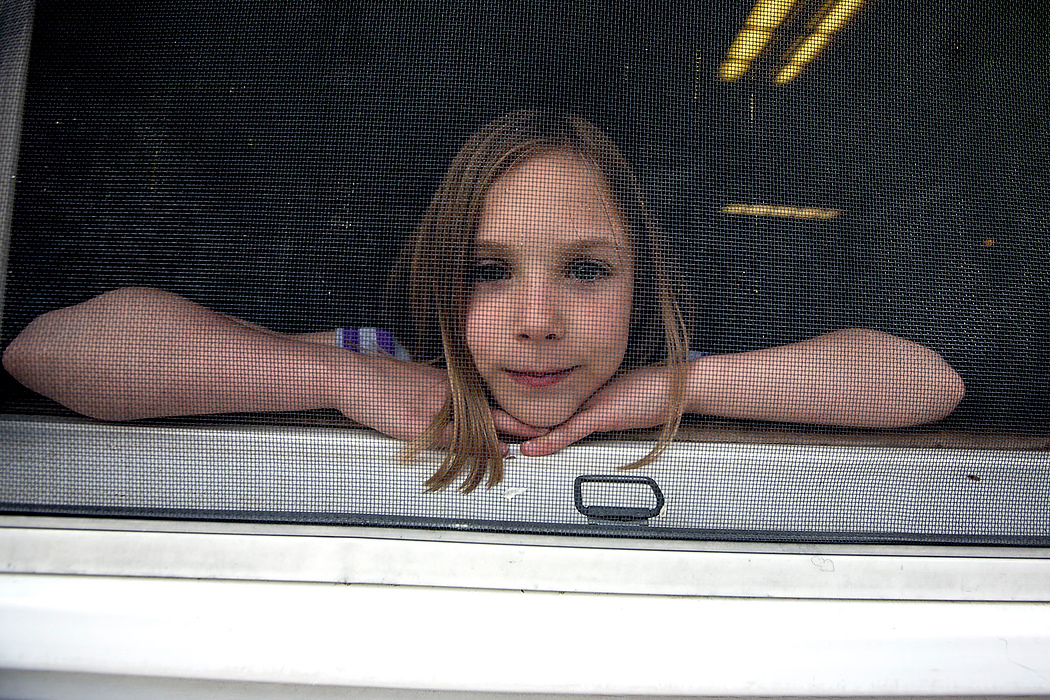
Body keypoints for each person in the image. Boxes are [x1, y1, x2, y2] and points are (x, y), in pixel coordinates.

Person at [2, 109, 966, 492]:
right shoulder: (382, 358)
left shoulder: (651, 369)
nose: (537, 319)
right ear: (437, 285)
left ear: (643, 285)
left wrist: (657, 391)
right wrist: (335, 376)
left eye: (586, 271)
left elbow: (923, 381)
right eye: (487, 270)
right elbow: (46, 351)